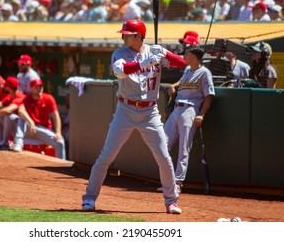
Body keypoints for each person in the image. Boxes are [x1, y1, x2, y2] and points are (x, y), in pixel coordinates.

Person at [81, 19, 186, 214]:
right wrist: (146, 62)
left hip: (150, 112)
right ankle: (89, 199)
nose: (123, 36)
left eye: (127, 34)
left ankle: (171, 201)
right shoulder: (119, 53)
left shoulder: (153, 51)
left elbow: (181, 63)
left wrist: (164, 53)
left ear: (138, 36)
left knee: (164, 157)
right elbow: (120, 72)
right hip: (126, 110)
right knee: (106, 156)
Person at [162, 47, 215, 193]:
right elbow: (183, 80)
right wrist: (174, 85)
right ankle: (168, 182)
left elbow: (209, 96)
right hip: (177, 110)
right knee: (163, 144)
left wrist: (201, 115)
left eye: (187, 54)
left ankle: (177, 183)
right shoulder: (187, 70)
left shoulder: (205, 73)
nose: (184, 56)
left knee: (183, 148)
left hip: (191, 110)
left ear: (193, 57)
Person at [12, 79, 66, 160]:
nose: (39, 88)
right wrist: (31, 122)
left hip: (43, 129)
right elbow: (21, 110)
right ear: (31, 89)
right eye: (36, 87)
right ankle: (18, 143)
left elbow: (56, 116)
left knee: (60, 142)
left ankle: (62, 166)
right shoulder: (28, 98)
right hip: (30, 128)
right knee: (21, 118)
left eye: (41, 86)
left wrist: (58, 132)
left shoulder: (48, 98)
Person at [0, 76, 25, 150]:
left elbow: (8, 110)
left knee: (8, 116)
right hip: (17, 126)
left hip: (23, 128)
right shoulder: (11, 95)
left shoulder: (19, 96)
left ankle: (5, 142)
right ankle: (0, 141)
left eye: (6, 85)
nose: (4, 86)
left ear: (8, 87)